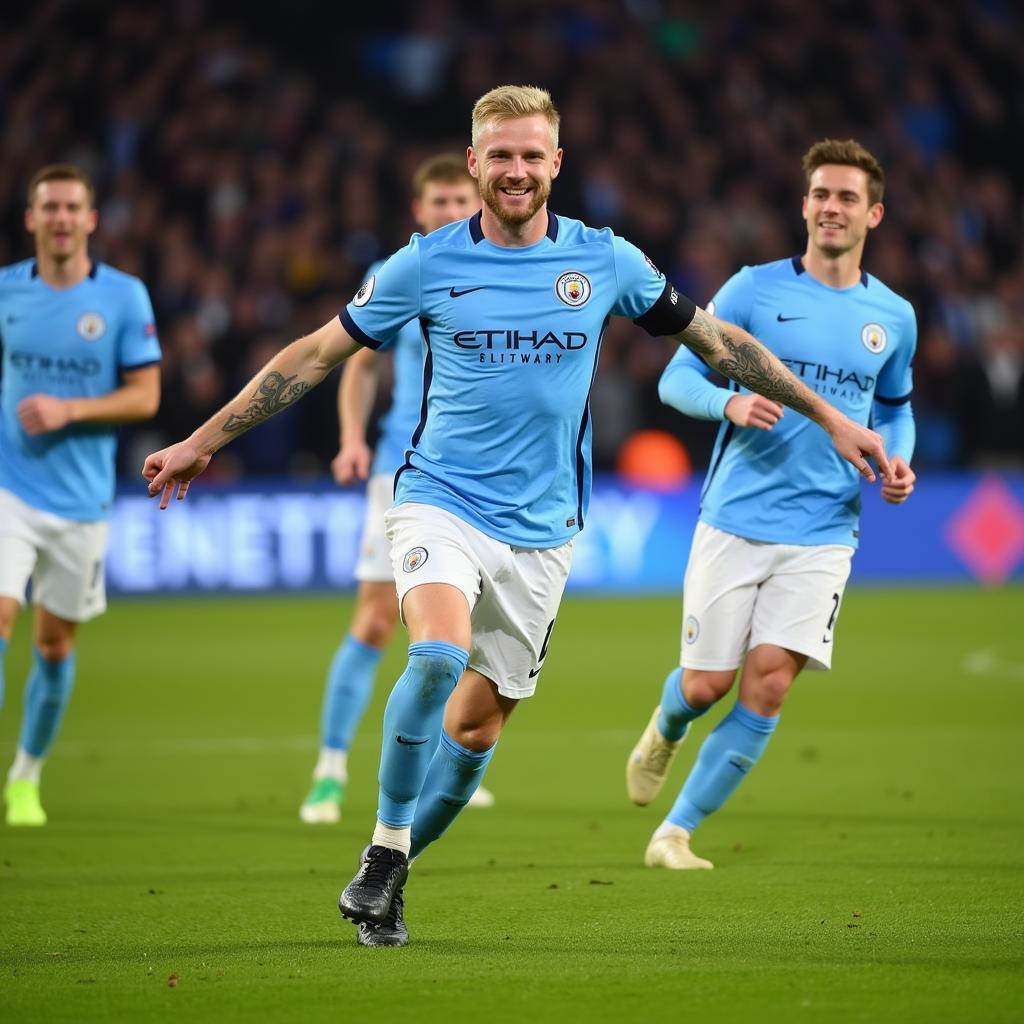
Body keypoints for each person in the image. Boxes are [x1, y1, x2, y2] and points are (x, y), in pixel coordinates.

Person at [142, 89, 891, 947]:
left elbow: (716, 343)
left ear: (556, 165)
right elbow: (317, 353)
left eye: (532, 155)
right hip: (439, 500)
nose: (516, 170)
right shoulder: (423, 264)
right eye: (500, 155)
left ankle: (394, 873)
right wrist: (204, 439)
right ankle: (385, 852)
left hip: (544, 530)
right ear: (474, 163)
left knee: (480, 723)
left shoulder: (605, 262)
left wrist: (831, 417)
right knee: (435, 652)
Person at [626, 138, 916, 870]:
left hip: (825, 528)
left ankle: (676, 833)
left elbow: (896, 406)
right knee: (707, 684)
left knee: (770, 682)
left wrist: (897, 455)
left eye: (848, 197)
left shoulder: (895, 316)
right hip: (737, 516)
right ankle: (667, 723)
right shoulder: (754, 289)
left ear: (873, 213)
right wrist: (727, 404)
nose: (831, 207)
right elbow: (673, 382)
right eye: (821, 193)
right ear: (805, 204)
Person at [300, 154, 495, 824]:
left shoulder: (504, 269)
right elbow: (355, 365)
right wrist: (351, 438)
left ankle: (443, 757)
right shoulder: (401, 271)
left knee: (459, 635)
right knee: (378, 619)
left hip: (483, 480)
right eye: (437, 201)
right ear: (418, 210)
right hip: (403, 469)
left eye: (457, 200)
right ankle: (329, 770)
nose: (447, 211)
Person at [0, 164, 161, 826]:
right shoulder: (6, 290)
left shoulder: (123, 298)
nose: (61, 218)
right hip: (9, 489)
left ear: (91, 219)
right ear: (31, 219)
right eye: (50, 208)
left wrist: (68, 411)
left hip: (80, 502)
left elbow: (146, 395)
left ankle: (26, 777)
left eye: (72, 207)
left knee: (54, 646)